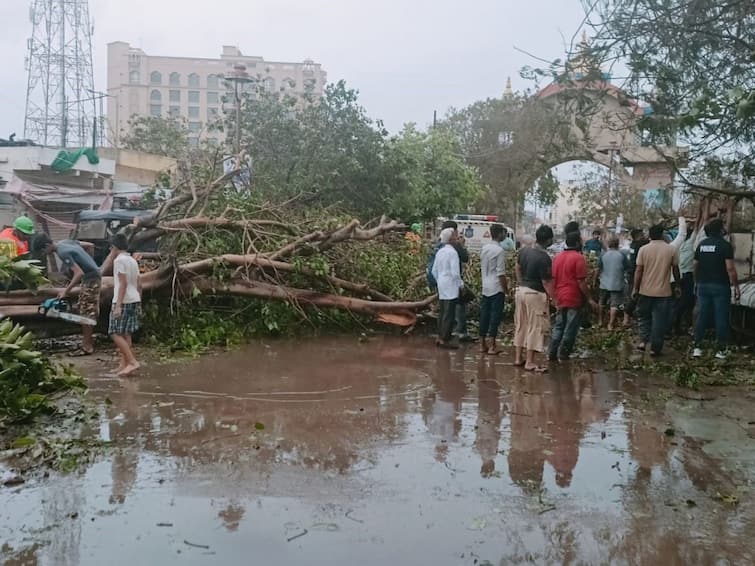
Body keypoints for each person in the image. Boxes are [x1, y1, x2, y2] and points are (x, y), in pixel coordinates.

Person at [33, 234, 102, 356]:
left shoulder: (62, 252)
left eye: (43, 250)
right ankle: (87, 344)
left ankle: (87, 347)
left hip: (91, 279)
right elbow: (90, 246)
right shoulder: (66, 242)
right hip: (92, 277)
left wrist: (66, 291)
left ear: (47, 245)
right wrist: (90, 264)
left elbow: (78, 273)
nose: (44, 253)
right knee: (85, 310)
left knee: (86, 313)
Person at [692, 219, 740, 359]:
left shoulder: (701, 245)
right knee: (721, 316)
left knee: (702, 316)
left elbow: (695, 266)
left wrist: (696, 282)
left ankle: (697, 347)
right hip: (720, 286)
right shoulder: (725, 246)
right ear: (720, 230)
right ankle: (720, 350)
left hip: (703, 285)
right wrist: (736, 286)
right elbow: (730, 268)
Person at [632, 223, 680, 356]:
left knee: (644, 317)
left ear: (650, 235)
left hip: (645, 290)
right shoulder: (671, 250)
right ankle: (655, 348)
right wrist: (677, 286)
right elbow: (676, 270)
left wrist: (635, 288)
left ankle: (642, 341)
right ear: (662, 234)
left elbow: (638, 271)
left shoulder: (643, 249)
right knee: (659, 320)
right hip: (663, 292)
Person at [549, 231, 597, 361]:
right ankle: (564, 355)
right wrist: (589, 299)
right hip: (573, 298)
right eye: (580, 241)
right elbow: (581, 282)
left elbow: (552, 279)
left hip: (560, 297)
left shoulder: (557, 258)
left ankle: (552, 353)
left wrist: (554, 297)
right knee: (570, 328)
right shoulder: (578, 258)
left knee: (558, 326)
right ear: (577, 243)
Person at [514, 224, 555, 372]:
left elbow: (517, 267)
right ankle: (530, 362)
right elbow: (546, 282)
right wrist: (555, 299)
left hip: (521, 291)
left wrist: (520, 282)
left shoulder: (524, 251)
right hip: (535, 295)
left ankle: (518, 358)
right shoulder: (544, 258)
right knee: (535, 327)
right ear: (549, 240)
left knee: (521, 324)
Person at [109, 234, 142, 375]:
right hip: (134, 299)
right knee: (126, 333)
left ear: (114, 247)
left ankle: (133, 361)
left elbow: (123, 283)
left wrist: (118, 305)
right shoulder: (132, 260)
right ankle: (124, 364)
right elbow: (139, 283)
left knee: (114, 333)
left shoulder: (119, 260)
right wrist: (140, 300)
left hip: (123, 300)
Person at [479, 224, 509, 355]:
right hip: (496, 287)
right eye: (504, 232)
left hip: (485, 286)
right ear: (499, 234)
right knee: (494, 317)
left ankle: (482, 344)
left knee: (484, 315)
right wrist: (506, 289)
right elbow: (501, 273)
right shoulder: (499, 251)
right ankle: (492, 346)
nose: (505, 235)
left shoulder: (484, 248)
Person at [432, 227, 462, 349]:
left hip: (441, 283)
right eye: (455, 236)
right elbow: (455, 273)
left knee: (443, 311)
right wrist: (461, 285)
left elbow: (434, 271)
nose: (457, 238)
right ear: (451, 239)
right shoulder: (453, 253)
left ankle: (440, 336)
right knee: (449, 313)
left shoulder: (440, 252)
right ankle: (445, 339)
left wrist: (439, 281)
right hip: (451, 284)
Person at [597, 237, 629, 330]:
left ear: (608, 244)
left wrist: (595, 279)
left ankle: (600, 321)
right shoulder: (622, 255)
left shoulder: (603, 254)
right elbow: (627, 267)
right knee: (614, 305)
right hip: (617, 283)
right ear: (617, 244)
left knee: (601, 302)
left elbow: (598, 269)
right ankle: (610, 324)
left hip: (604, 283)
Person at [673, 224, 696, 335]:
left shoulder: (680, 244)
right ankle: (677, 326)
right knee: (686, 302)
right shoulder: (691, 242)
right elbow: (698, 227)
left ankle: (680, 325)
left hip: (681, 275)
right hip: (688, 276)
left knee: (684, 301)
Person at [623, 228, 648, 327]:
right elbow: (648, 240)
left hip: (631, 273)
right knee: (634, 295)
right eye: (641, 234)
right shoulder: (639, 245)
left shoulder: (633, 244)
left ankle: (628, 318)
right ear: (637, 236)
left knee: (633, 295)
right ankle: (626, 318)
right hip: (635, 273)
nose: (643, 236)